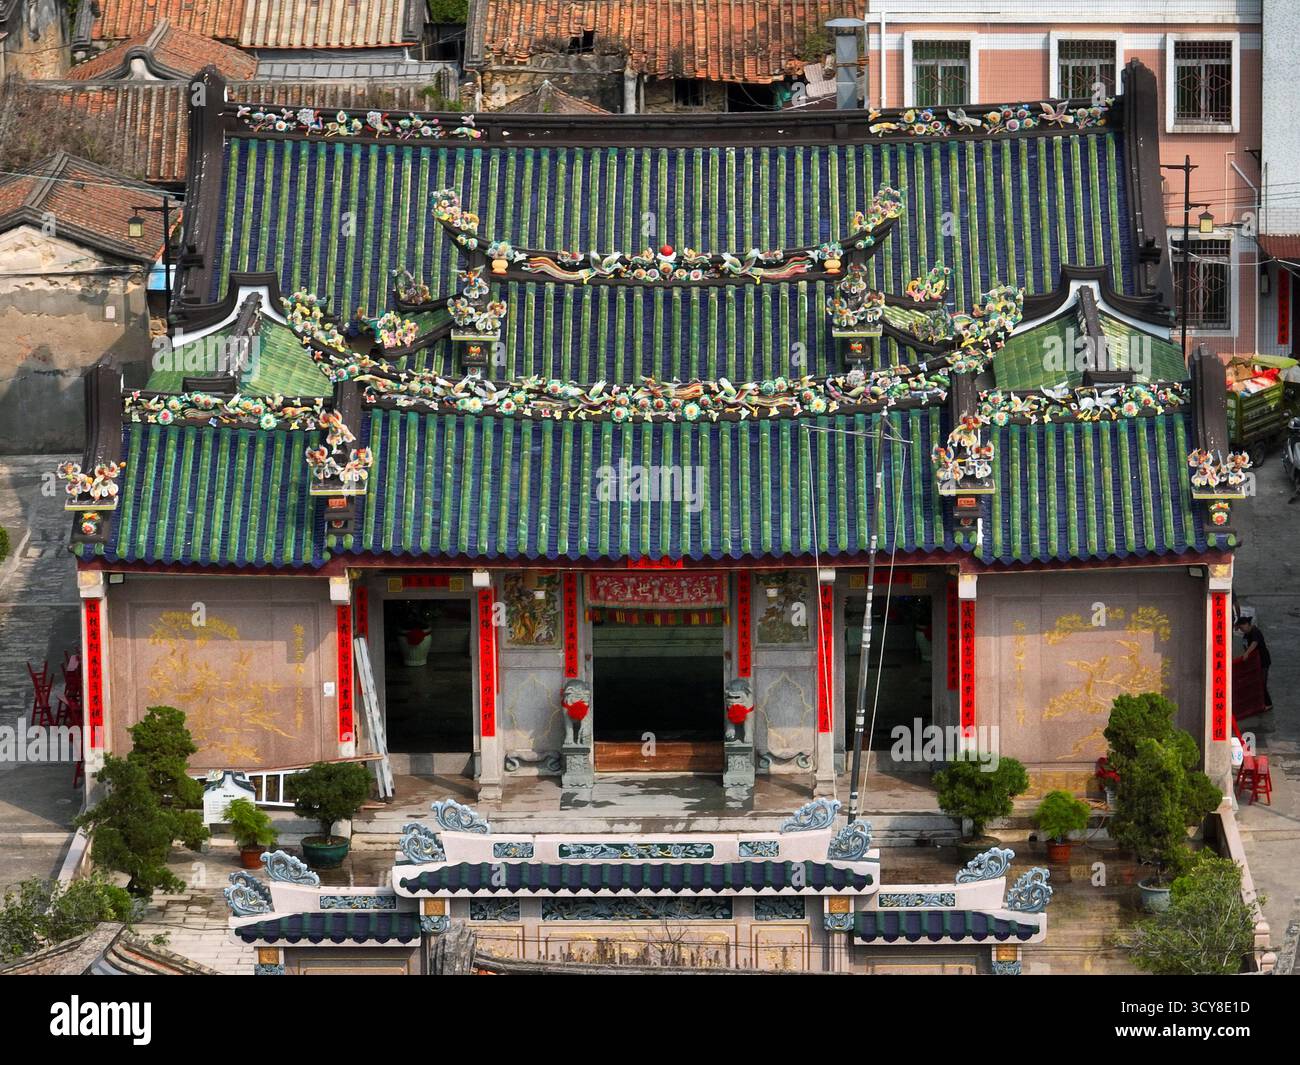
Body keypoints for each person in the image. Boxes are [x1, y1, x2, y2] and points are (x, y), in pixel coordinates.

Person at [1235, 615, 1273, 712]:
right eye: (1240, 628)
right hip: (1255, 661)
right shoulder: (1246, 635)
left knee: (1262, 682)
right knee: (1257, 682)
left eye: (1241, 627)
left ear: (1247, 624)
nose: (1241, 630)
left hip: (1263, 660)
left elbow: (1255, 643)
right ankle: (1259, 702)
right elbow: (1245, 646)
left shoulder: (1255, 631)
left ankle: (1268, 704)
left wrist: (1247, 653)